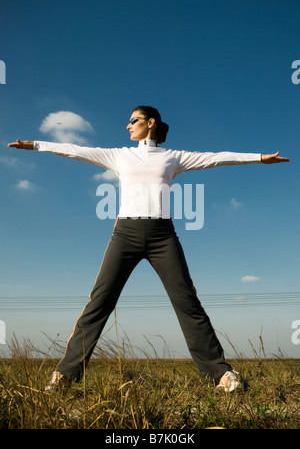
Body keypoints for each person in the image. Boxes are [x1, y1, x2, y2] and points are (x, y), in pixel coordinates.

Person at [8, 106, 289, 393]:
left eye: (133, 120)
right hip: (124, 235)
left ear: (150, 123)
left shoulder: (172, 157)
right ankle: (65, 375)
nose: (128, 126)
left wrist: (259, 158)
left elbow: (215, 158)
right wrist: (35, 144)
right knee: (99, 302)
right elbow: (76, 150)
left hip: (162, 237)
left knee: (187, 303)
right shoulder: (119, 155)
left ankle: (222, 374)